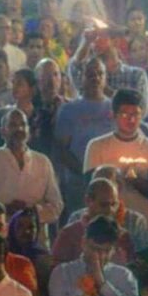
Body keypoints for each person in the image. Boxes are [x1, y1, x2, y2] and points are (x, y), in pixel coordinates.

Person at [0, 108, 63, 247]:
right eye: (13, 125)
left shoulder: (42, 161)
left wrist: (31, 212)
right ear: (3, 131)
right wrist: (4, 209)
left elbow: (57, 206)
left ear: (28, 130)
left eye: (23, 125)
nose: (19, 129)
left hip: (35, 241)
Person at [83, 88, 148, 231]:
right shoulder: (97, 146)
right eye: (125, 114)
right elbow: (89, 187)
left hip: (144, 222)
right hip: (105, 224)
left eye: (136, 114)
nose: (131, 119)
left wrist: (135, 180)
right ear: (114, 115)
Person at [54, 57, 113, 213]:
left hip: (111, 182)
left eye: (100, 74)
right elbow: (61, 149)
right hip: (78, 183)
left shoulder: (114, 108)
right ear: (82, 77)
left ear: (106, 77)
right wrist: (86, 172)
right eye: (91, 74)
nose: (96, 78)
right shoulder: (69, 109)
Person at [68, 165, 148, 253]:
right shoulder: (76, 219)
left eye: (107, 184)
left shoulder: (135, 221)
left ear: (119, 188)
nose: (102, 187)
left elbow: (143, 261)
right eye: (96, 184)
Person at [52, 178, 135, 265]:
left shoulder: (123, 236)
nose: (110, 210)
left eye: (114, 204)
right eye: (104, 205)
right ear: (88, 201)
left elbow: (133, 272)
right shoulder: (69, 235)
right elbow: (57, 271)